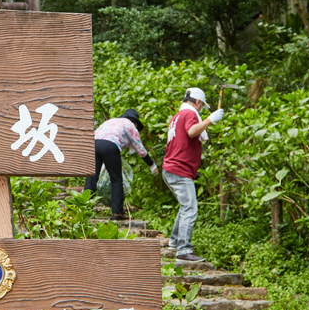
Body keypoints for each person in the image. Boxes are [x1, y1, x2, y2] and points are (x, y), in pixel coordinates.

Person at [162, 88, 224, 262]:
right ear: (198, 102)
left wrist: (207, 121)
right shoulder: (190, 113)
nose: (201, 109)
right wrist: (210, 119)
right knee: (190, 208)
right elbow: (192, 132)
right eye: (202, 106)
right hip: (179, 169)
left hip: (170, 169)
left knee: (185, 206)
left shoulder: (177, 116)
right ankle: (183, 250)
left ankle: (175, 241)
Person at [83, 108, 157, 220]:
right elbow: (140, 149)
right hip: (110, 146)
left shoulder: (111, 121)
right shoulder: (130, 125)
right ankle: (117, 213)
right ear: (135, 122)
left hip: (93, 144)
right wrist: (151, 164)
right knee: (116, 180)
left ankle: (84, 208)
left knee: (92, 178)